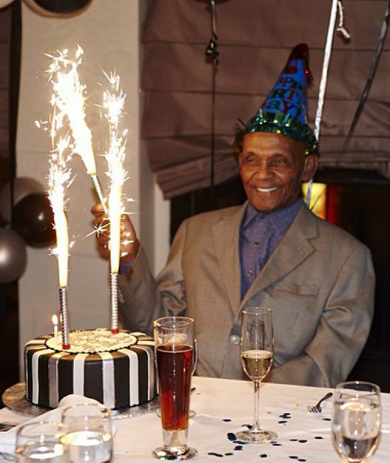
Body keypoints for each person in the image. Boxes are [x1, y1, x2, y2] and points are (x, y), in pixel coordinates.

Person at [94, 44, 375, 387]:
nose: (263, 174)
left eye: (279, 161)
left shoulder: (347, 258)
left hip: (279, 414)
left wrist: (247, 399)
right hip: (193, 406)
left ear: (307, 167)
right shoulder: (196, 231)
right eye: (251, 160)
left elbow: (325, 364)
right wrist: (128, 259)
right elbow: (156, 325)